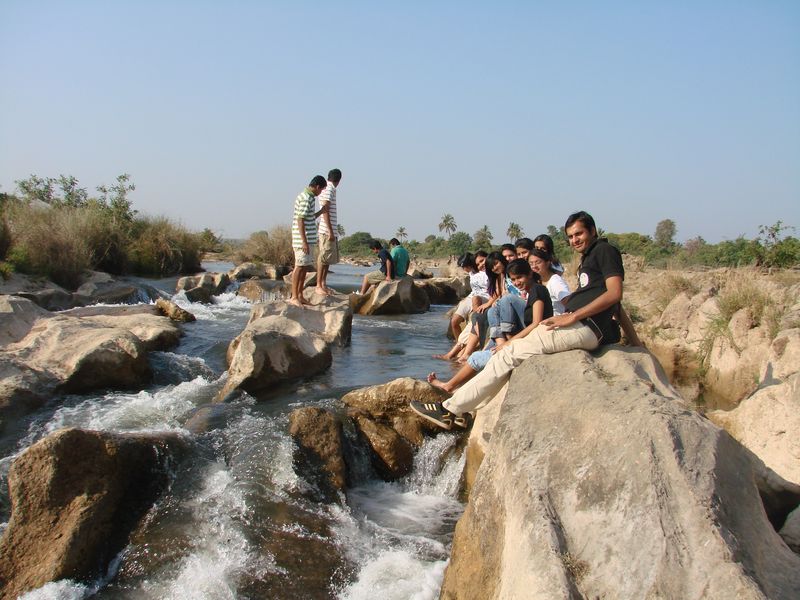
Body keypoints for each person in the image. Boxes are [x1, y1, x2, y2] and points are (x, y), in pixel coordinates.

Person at [411, 210, 625, 430]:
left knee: (507, 354)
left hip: (583, 326)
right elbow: (612, 302)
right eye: (570, 236)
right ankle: (462, 410)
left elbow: (614, 294)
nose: (574, 240)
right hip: (579, 324)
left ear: (593, 230)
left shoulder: (604, 250)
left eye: (579, 234)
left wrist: (573, 316)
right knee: (504, 355)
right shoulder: (589, 257)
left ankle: (449, 410)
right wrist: (633, 339)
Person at [428, 258, 553, 394]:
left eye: (519, 277)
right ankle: (456, 386)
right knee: (493, 311)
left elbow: (536, 323)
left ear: (529, 274)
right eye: (513, 279)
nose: (517, 282)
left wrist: (509, 343)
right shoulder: (532, 291)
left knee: (477, 358)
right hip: (526, 339)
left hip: (533, 341)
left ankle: (450, 386)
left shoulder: (537, 290)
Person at [290, 175, 327, 307]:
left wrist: (321, 212)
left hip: (308, 239)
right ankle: (294, 296)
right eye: (321, 190)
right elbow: (300, 220)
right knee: (299, 267)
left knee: (304, 267)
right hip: (302, 240)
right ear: (317, 186)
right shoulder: (306, 198)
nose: (320, 193)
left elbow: (309, 217)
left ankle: (300, 295)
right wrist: (304, 241)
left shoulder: (309, 198)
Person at [316, 168, 342, 296]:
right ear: (339, 180)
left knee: (327, 259)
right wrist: (330, 231)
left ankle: (323, 284)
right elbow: (325, 210)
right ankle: (319, 285)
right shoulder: (329, 189)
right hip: (326, 230)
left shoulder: (328, 188)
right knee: (323, 258)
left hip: (328, 229)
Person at [528, 248, 571, 314]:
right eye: (531, 264)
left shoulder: (555, 281)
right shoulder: (537, 282)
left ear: (547, 263)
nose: (534, 266)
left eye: (538, 262)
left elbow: (569, 303)